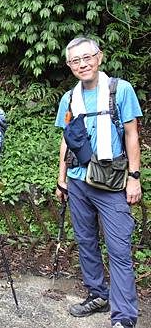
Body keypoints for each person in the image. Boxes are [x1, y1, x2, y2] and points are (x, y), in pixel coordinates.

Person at [55, 37, 142, 328]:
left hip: (112, 181)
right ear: (69, 66)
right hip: (79, 180)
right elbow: (67, 138)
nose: (83, 64)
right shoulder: (70, 98)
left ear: (99, 57)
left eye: (87, 57)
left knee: (118, 247)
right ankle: (97, 294)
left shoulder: (120, 90)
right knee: (86, 241)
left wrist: (134, 177)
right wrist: (61, 178)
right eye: (75, 60)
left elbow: (131, 134)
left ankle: (124, 316)